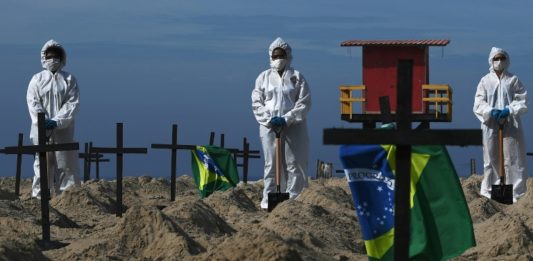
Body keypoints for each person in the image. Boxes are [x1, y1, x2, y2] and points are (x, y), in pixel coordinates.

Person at [251, 37, 311, 209]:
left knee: (295, 162)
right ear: (271, 56)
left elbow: (304, 103)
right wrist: (269, 120)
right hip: (269, 126)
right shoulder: (263, 78)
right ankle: (268, 201)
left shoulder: (297, 77)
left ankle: (295, 200)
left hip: (294, 125)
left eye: (281, 55)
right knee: (271, 163)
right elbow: (256, 102)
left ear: (288, 56)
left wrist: (287, 118)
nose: (279, 59)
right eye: (276, 56)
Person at [27, 39, 81, 198]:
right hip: (41, 131)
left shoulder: (69, 79)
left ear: (62, 57)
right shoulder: (36, 79)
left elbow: (72, 104)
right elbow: (33, 102)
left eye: (56, 56)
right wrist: (42, 121)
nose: (53, 60)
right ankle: (40, 197)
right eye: (49, 56)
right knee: (42, 166)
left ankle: (68, 199)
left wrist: (57, 121)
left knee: (66, 166)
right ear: (44, 57)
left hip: (63, 131)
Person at [473, 47, 528, 203]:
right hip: (490, 124)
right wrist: (491, 111)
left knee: (513, 157)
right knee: (490, 158)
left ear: (507, 60)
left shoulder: (513, 80)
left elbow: (522, 101)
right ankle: (489, 192)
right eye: (496, 58)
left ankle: (517, 193)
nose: (499, 61)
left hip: (511, 124)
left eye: (502, 58)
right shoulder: (485, 81)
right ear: (491, 60)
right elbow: (478, 103)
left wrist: (509, 110)